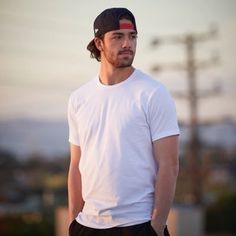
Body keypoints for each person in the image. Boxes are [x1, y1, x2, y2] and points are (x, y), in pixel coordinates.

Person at [67, 7, 179, 236]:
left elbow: (169, 165)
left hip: (138, 225)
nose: (128, 43)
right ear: (99, 43)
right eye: (118, 37)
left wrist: (156, 228)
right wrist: (74, 221)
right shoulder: (79, 98)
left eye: (132, 36)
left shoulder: (153, 93)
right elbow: (76, 165)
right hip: (87, 226)